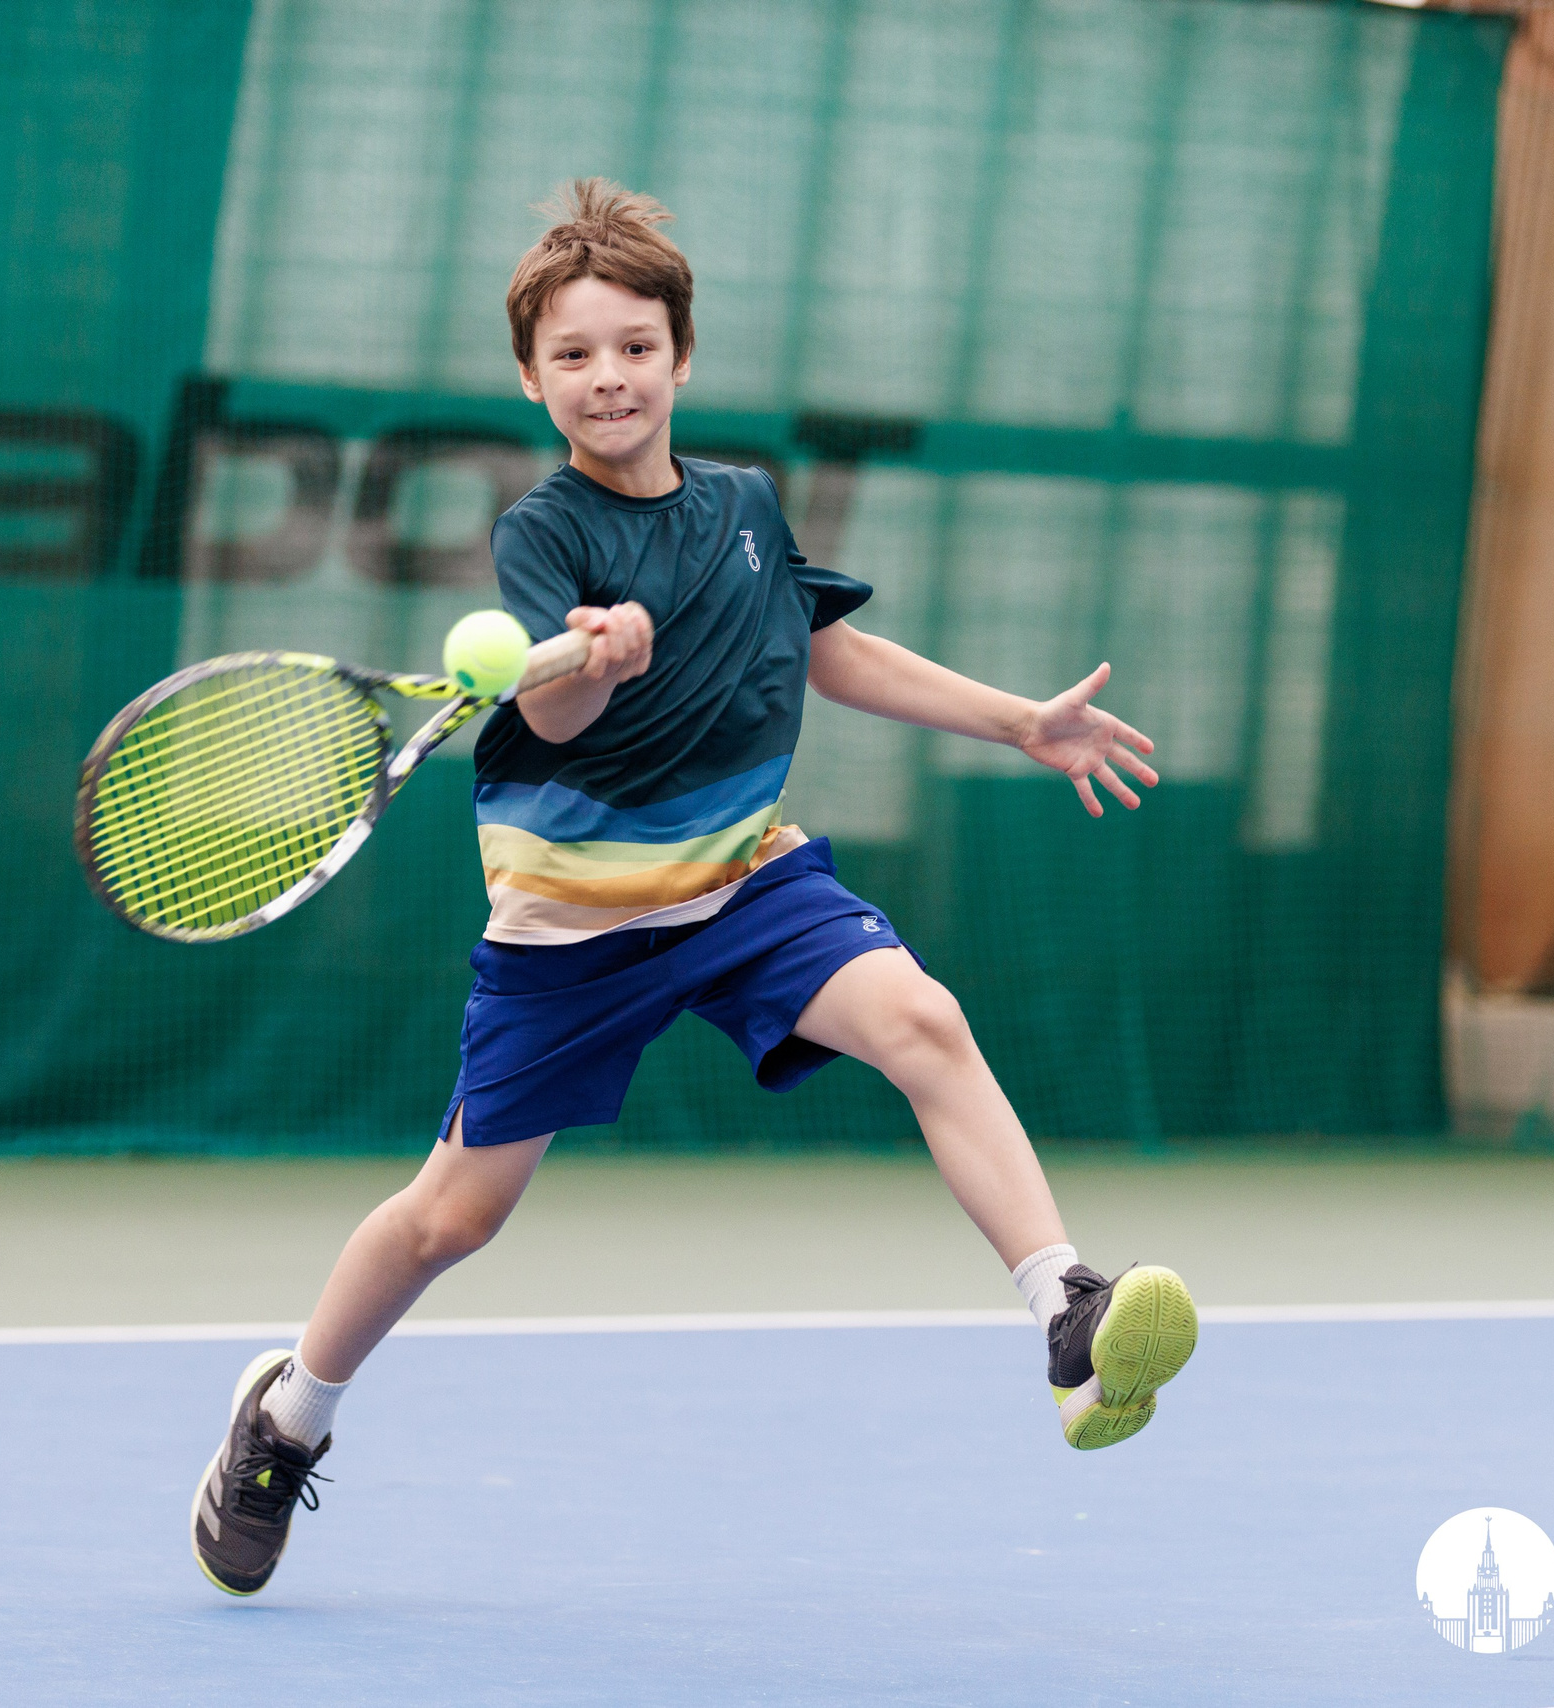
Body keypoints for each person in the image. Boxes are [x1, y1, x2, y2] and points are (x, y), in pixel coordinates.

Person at [192, 180, 1196, 1597]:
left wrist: (1018, 719)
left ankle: (1068, 1315)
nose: (610, 376)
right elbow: (548, 730)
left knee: (924, 1021)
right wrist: (588, 668)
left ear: (681, 360)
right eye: (578, 354)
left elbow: (829, 650)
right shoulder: (544, 538)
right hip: (574, 935)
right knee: (452, 1219)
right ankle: (287, 1416)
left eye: (637, 346)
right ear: (532, 380)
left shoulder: (741, 510)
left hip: (741, 884)